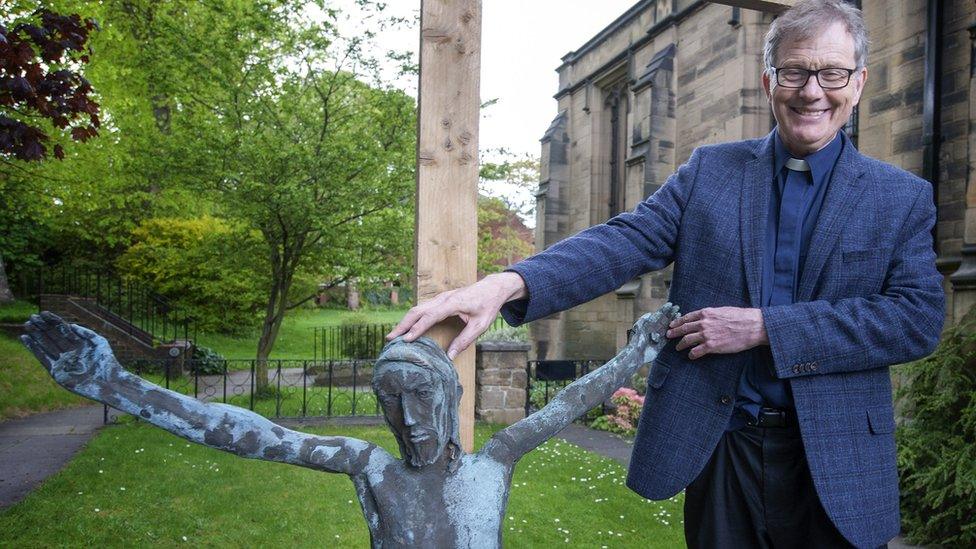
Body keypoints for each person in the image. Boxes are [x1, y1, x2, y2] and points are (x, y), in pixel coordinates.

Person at [387, 1, 944, 547]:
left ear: (860, 80)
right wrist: (507, 283)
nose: (812, 90)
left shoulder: (901, 198)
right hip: (723, 448)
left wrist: (766, 327)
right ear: (769, 78)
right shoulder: (711, 172)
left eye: (832, 73)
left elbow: (915, 319)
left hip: (838, 456)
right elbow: (623, 241)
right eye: (795, 70)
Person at [21, 305, 677, 548]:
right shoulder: (370, 467)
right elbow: (240, 428)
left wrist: (633, 355)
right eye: (390, 402)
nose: (408, 419)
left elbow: (567, 403)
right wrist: (113, 386)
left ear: (449, 396)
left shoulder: (495, 459)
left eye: (420, 396)